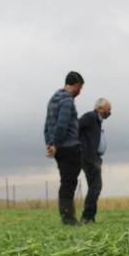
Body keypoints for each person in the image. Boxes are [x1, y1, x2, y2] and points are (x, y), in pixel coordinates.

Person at [44, 71, 84, 225]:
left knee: (65, 181)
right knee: (69, 182)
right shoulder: (67, 100)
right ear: (76, 85)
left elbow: (47, 125)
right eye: (80, 88)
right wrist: (56, 144)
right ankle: (68, 218)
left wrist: (49, 143)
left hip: (59, 149)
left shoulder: (53, 99)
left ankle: (67, 216)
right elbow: (62, 124)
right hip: (69, 146)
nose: (80, 92)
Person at [78, 98, 111, 224]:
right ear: (100, 108)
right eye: (108, 109)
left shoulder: (98, 121)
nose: (109, 112)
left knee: (94, 187)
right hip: (88, 157)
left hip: (94, 157)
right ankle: (87, 217)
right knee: (96, 186)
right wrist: (81, 147)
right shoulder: (90, 117)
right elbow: (76, 127)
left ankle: (90, 217)